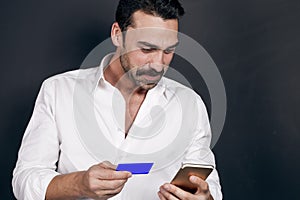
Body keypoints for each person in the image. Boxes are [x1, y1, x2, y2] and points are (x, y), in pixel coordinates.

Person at [12, 0, 222, 199]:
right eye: (147, 49)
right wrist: (80, 184)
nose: (158, 64)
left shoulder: (190, 104)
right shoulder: (59, 90)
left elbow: (209, 187)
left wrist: (204, 197)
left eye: (168, 51)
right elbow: (24, 181)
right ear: (117, 35)